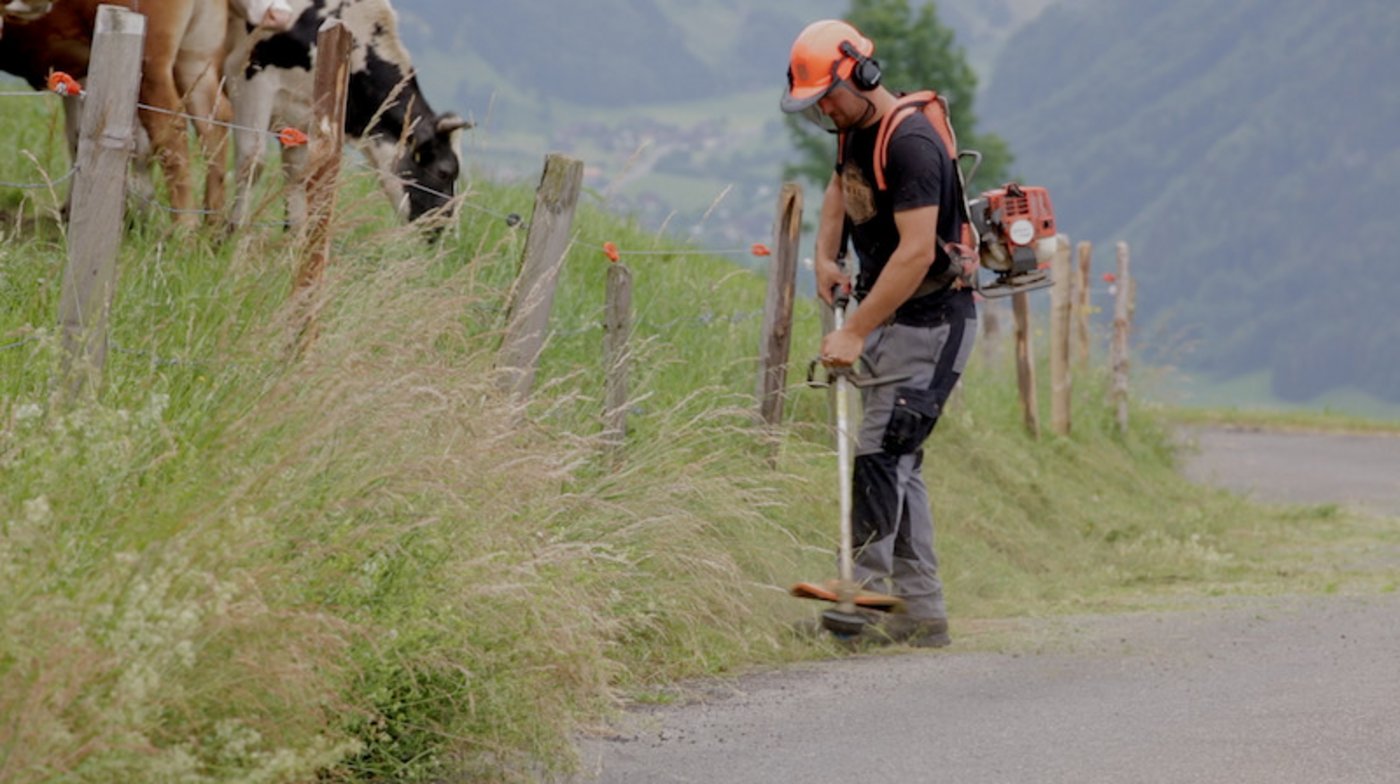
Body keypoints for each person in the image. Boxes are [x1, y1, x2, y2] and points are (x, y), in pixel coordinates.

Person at [781, 19, 978, 648]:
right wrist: (826, 257)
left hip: (932, 322)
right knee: (899, 462)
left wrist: (855, 332)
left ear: (863, 75)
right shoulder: (854, 131)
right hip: (894, 318)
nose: (825, 111)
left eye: (828, 97)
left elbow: (916, 253)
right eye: (815, 103)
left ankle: (857, 602)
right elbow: (841, 189)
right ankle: (921, 612)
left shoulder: (911, 144)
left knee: (879, 453)